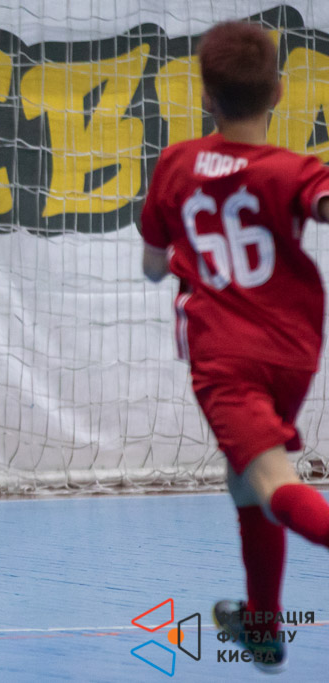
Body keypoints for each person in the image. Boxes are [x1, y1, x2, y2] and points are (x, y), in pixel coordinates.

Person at [140, 20, 329, 673]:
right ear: (278, 92)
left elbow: (153, 266)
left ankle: (265, 625)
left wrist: (180, 255)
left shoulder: (176, 164)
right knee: (243, 478)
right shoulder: (294, 169)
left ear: (205, 96)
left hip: (226, 356)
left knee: (271, 480)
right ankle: (264, 627)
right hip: (295, 351)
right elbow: (321, 199)